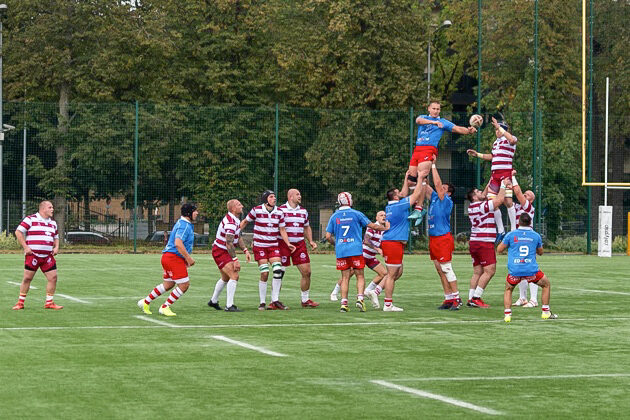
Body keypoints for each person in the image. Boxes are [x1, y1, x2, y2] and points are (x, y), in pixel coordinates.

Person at [407, 100, 477, 225]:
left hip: (429, 149)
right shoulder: (424, 118)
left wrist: (468, 130)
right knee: (411, 180)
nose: (436, 111)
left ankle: (419, 208)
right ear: (429, 109)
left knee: (422, 175)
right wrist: (434, 122)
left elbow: (456, 128)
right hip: (417, 149)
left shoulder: (443, 122)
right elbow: (418, 121)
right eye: (434, 108)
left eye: (438, 109)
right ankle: (417, 206)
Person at [325, 192, 388, 312]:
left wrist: (336, 244)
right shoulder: (356, 214)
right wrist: (386, 228)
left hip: (342, 250)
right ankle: (360, 299)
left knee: (345, 277)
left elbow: (328, 236)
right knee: (360, 276)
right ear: (349, 201)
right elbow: (373, 226)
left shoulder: (334, 216)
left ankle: (344, 304)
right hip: (355, 249)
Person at [374, 171, 426, 311]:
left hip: (392, 242)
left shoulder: (391, 206)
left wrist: (405, 178)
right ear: (396, 196)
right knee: (391, 275)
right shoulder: (399, 205)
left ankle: (377, 291)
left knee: (399, 271)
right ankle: (388, 304)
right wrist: (421, 178)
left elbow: (403, 193)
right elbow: (416, 195)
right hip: (393, 243)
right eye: (398, 192)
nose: (401, 192)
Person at [138, 203, 198, 316]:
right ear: (189, 213)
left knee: (168, 284)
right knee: (184, 285)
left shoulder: (183, 223)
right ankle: (165, 307)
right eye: (195, 211)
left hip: (168, 257)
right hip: (173, 258)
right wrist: (188, 258)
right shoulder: (184, 225)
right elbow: (178, 243)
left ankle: (145, 302)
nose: (197, 213)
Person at [240, 190, 295, 310]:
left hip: (273, 245)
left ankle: (275, 300)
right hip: (260, 246)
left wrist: (288, 243)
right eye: (271, 197)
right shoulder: (256, 210)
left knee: (278, 270)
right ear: (265, 199)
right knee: (264, 273)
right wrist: (235, 232)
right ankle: (262, 302)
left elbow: (282, 230)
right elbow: (245, 221)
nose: (274, 198)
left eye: (274, 196)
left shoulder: (279, 212)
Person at [497, 213, 558, 322]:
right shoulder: (535, 235)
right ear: (530, 223)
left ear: (518, 222)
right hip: (531, 271)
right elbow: (541, 252)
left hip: (515, 270)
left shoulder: (511, 235)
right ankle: (545, 312)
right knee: (546, 284)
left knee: (508, 289)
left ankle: (507, 315)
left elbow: (499, 250)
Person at [466, 117, 519, 243]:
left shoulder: (510, 138)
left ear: (504, 130)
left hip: (505, 174)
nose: (497, 131)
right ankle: (501, 231)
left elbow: (511, 140)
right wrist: (477, 154)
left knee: (508, 202)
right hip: (494, 175)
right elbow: (493, 156)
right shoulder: (496, 142)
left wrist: (499, 127)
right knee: (491, 202)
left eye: (499, 129)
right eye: (496, 129)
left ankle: (513, 230)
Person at [423, 156, 461, 310]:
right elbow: (425, 187)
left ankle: (457, 298)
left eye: (445, 188)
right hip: (434, 238)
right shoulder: (434, 199)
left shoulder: (446, 200)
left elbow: (437, 184)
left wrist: (433, 165)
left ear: (449, 193)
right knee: (439, 269)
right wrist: (421, 172)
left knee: (446, 268)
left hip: (443, 237)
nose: (441, 188)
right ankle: (448, 298)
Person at [466, 178, 509, 308]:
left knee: (477, 272)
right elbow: (499, 200)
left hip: (474, 242)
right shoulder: (482, 206)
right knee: (490, 270)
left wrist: (491, 181)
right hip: (484, 242)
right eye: (478, 191)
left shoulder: (472, 207)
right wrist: (503, 185)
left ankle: (470, 298)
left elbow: (484, 196)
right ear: (474, 197)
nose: (481, 192)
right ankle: (476, 297)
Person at [12, 200, 63, 310]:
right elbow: (18, 232)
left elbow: (56, 237)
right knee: (27, 278)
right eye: (50, 207)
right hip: (33, 255)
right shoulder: (30, 219)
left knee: (53, 277)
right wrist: (26, 247)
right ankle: (20, 303)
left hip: (47, 256)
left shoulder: (53, 222)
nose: (52, 209)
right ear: (43, 209)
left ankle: (49, 303)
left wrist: (56, 247)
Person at [277, 189, 319, 308]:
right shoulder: (281, 210)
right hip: (284, 244)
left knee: (307, 272)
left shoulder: (303, 211)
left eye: (300, 194)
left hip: (299, 244)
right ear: (290, 197)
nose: (300, 196)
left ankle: (305, 300)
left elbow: (306, 227)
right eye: (297, 194)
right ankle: (275, 300)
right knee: (279, 273)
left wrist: (310, 241)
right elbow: (278, 228)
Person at [208, 199, 251, 312]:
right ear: (233, 209)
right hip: (220, 251)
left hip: (222, 250)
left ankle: (213, 301)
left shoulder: (235, 220)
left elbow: (238, 237)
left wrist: (245, 250)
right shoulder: (231, 222)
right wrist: (235, 259)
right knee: (234, 275)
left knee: (225, 277)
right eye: (238, 204)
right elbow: (229, 242)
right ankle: (229, 305)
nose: (241, 206)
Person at [509, 171, 539, 308]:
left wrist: (512, 176)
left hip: (527, 238)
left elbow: (518, 193)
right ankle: (522, 298)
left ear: (530, 200)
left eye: (527, 195)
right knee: (520, 268)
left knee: (530, 269)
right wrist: (504, 185)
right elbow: (507, 201)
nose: (524, 196)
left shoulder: (528, 207)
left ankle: (534, 299)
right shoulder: (517, 207)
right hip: (518, 237)